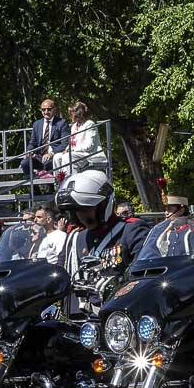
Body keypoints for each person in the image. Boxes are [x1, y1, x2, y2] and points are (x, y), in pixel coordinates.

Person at [57, 170, 147, 311]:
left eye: (86, 208)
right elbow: (61, 273)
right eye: (77, 210)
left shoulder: (131, 230)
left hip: (120, 311)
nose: (81, 215)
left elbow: (143, 273)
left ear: (103, 206)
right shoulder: (76, 238)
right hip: (84, 315)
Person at [22, 98, 70, 181]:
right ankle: (36, 191)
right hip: (39, 156)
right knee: (25, 163)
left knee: (48, 164)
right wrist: (29, 151)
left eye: (49, 109)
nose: (46, 112)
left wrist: (51, 153)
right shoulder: (37, 124)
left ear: (54, 110)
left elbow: (64, 143)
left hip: (53, 157)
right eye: (43, 109)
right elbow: (32, 142)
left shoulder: (62, 123)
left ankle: (50, 188)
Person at [66, 101, 106, 173]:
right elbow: (72, 142)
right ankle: (60, 181)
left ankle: (71, 179)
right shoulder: (74, 126)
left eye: (71, 113)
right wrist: (67, 149)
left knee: (68, 157)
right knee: (57, 157)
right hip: (78, 153)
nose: (70, 115)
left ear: (78, 114)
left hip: (89, 154)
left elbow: (89, 146)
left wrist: (72, 150)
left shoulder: (89, 124)